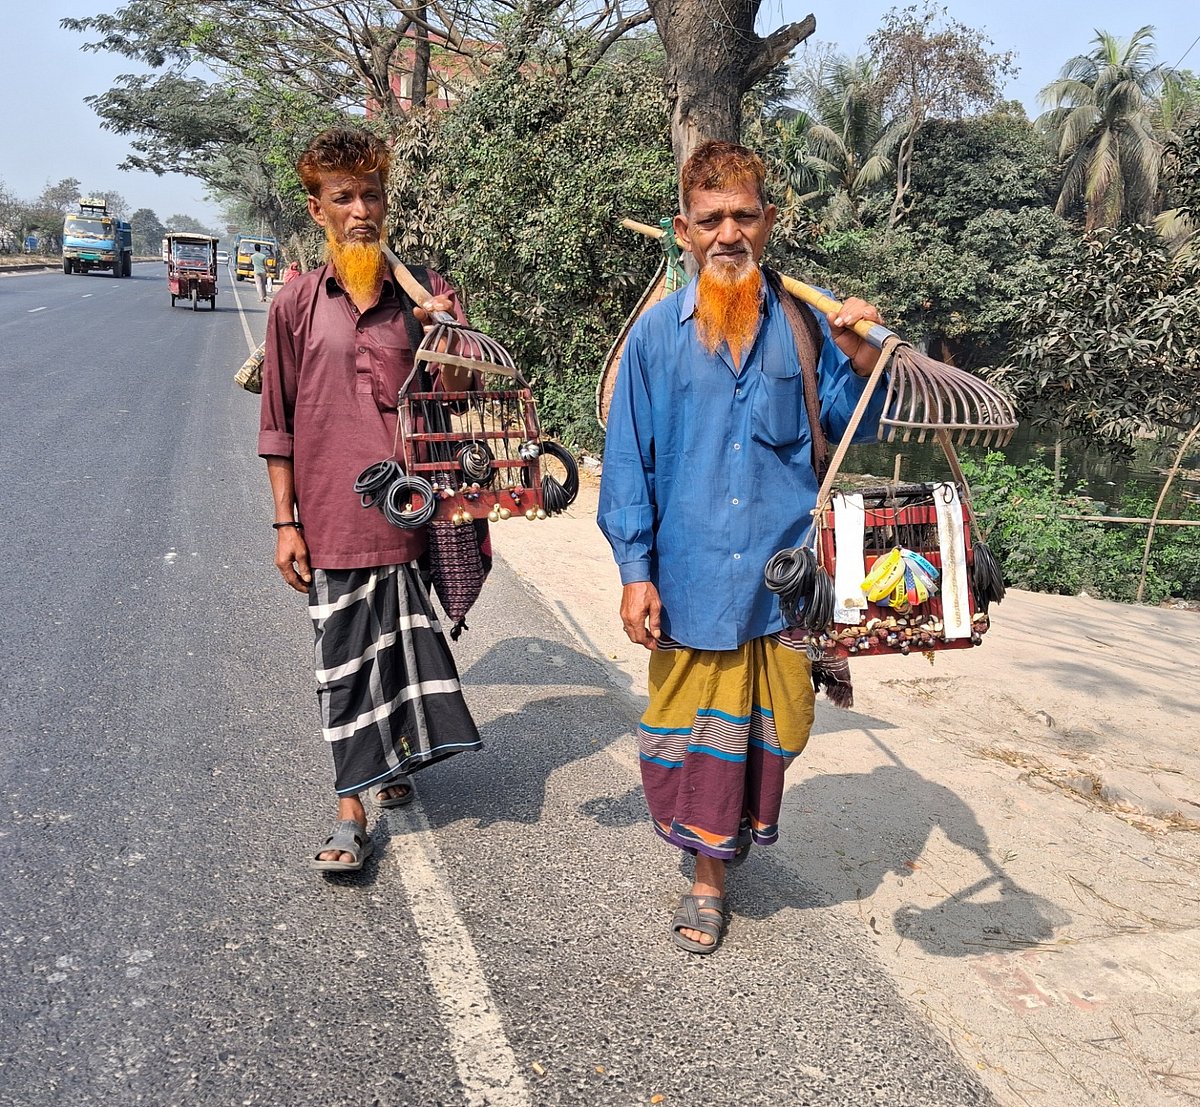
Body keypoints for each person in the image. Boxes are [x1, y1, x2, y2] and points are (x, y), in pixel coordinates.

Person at [597, 141, 888, 954]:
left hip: (782, 586)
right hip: (690, 581)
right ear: (684, 231)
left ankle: (727, 833)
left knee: (777, 733)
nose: (729, 233)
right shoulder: (655, 339)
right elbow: (627, 466)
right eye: (711, 218)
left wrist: (864, 351)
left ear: (769, 221)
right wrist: (635, 573)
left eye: (744, 216)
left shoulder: (806, 327)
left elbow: (857, 421)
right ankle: (706, 876)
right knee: (694, 737)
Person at [258, 127, 482, 874]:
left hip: (409, 513)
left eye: (372, 195)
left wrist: (445, 335)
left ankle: (393, 759)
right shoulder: (296, 303)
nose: (361, 210)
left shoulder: (421, 291)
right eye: (344, 197)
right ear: (317, 208)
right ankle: (350, 812)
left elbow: (457, 397)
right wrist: (285, 522)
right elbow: (278, 422)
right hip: (329, 516)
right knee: (344, 665)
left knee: (396, 653)